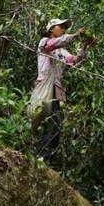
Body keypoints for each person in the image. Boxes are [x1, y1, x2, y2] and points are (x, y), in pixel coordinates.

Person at [28, 18, 91, 163]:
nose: (63, 29)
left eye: (64, 28)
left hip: (55, 90)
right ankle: (41, 155)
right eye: (60, 27)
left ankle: (45, 157)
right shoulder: (44, 42)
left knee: (55, 121)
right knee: (46, 120)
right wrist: (75, 35)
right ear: (51, 29)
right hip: (44, 86)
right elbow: (55, 43)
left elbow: (74, 60)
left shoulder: (62, 51)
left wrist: (84, 46)